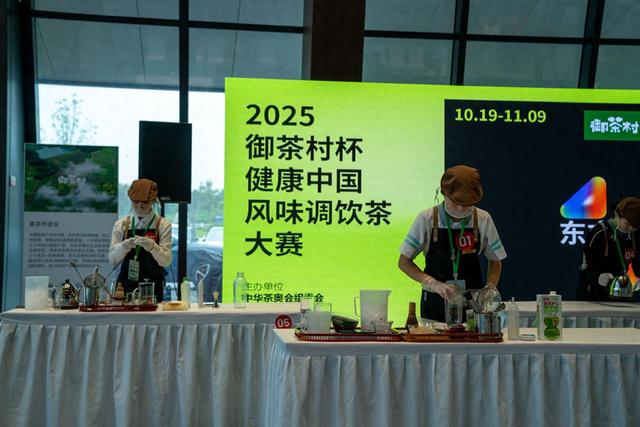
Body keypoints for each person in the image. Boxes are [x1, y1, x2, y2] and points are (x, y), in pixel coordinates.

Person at [398, 165, 507, 322]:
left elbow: (495, 260)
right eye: (456, 202)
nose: (461, 208)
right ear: (444, 193)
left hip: (473, 304)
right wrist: (431, 283)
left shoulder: (483, 219)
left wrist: (490, 287)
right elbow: (404, 262)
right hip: (436, 302)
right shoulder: (427, 218)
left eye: (468, 203)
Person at [108, 178, 172, 303]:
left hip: (153, 285)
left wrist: (152, 246)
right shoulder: (121, 224)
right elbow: (113, 260)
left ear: (153, 201)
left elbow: (166, 261)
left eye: (145, 203)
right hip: (125, 286)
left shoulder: (162, 225)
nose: (139, 206)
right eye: (136, 202)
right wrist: (124, 247)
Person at [577, 197, 640, 301]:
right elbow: (584, 269)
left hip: (619, 292)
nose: (630, 228)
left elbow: (638, 263)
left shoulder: (635, 234)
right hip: (593, 294)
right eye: (627, 224)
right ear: (617, 215)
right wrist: (598, 277)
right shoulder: (599, 233)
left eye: (635, 226)